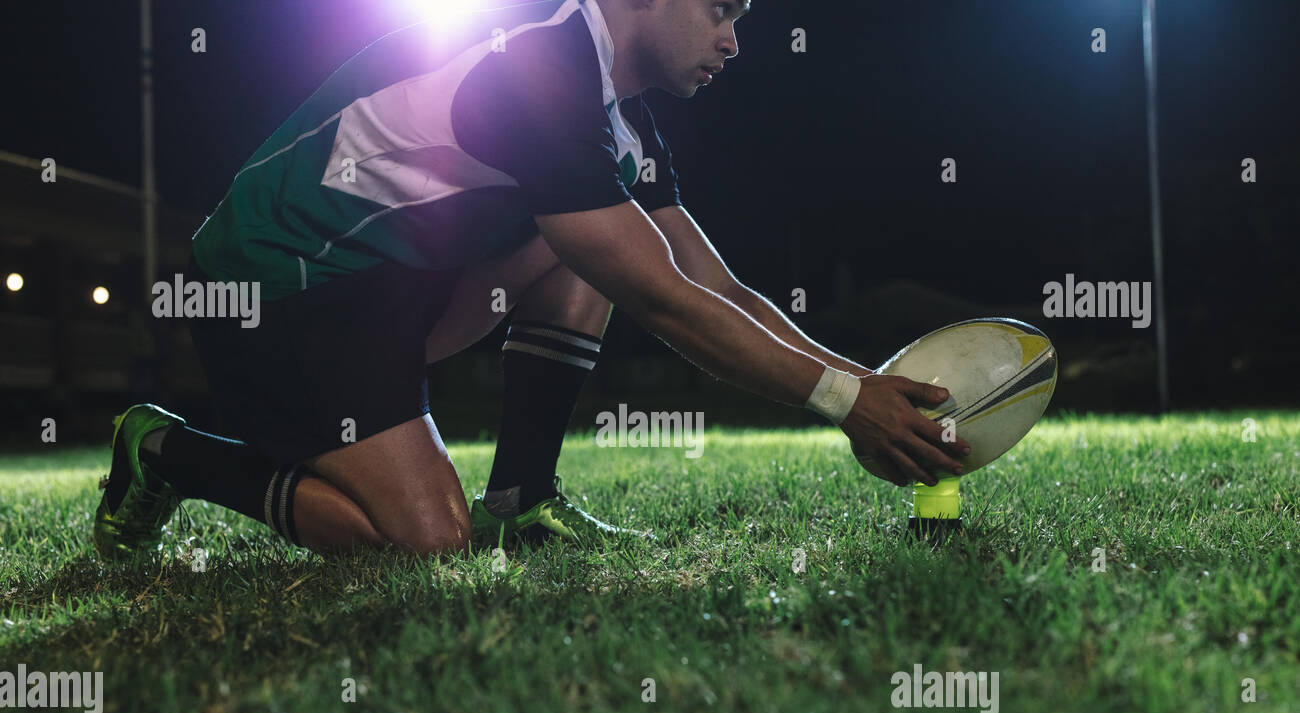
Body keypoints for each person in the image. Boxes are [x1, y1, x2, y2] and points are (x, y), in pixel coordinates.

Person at [94, 0, 969, 563]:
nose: (734, 41)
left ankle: (521, 498)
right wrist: (845, 406)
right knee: (426, 542)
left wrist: (865, 388)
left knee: (599, 241)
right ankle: (168, 452)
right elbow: (667, 301)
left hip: (389, 282)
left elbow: (717, 288)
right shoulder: (537, 73)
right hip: (276, 290)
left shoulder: (617, 118)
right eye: (720, 10)